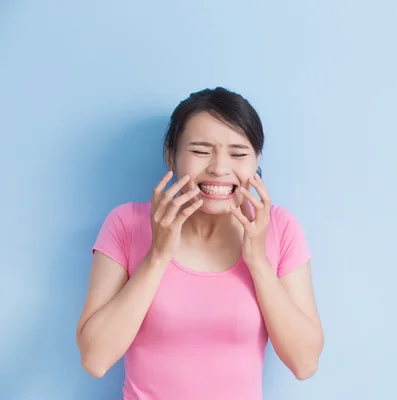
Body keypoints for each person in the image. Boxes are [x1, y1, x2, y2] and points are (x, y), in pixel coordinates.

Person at [75, 87, 324, 400]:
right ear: (171, 155)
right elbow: (95, 360)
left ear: (257, 159)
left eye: (238, 153)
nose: (219, 168)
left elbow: (304, 363)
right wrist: (157, 257)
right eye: (200, 151)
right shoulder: (126, 224)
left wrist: (258, 261)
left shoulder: (280, 228)